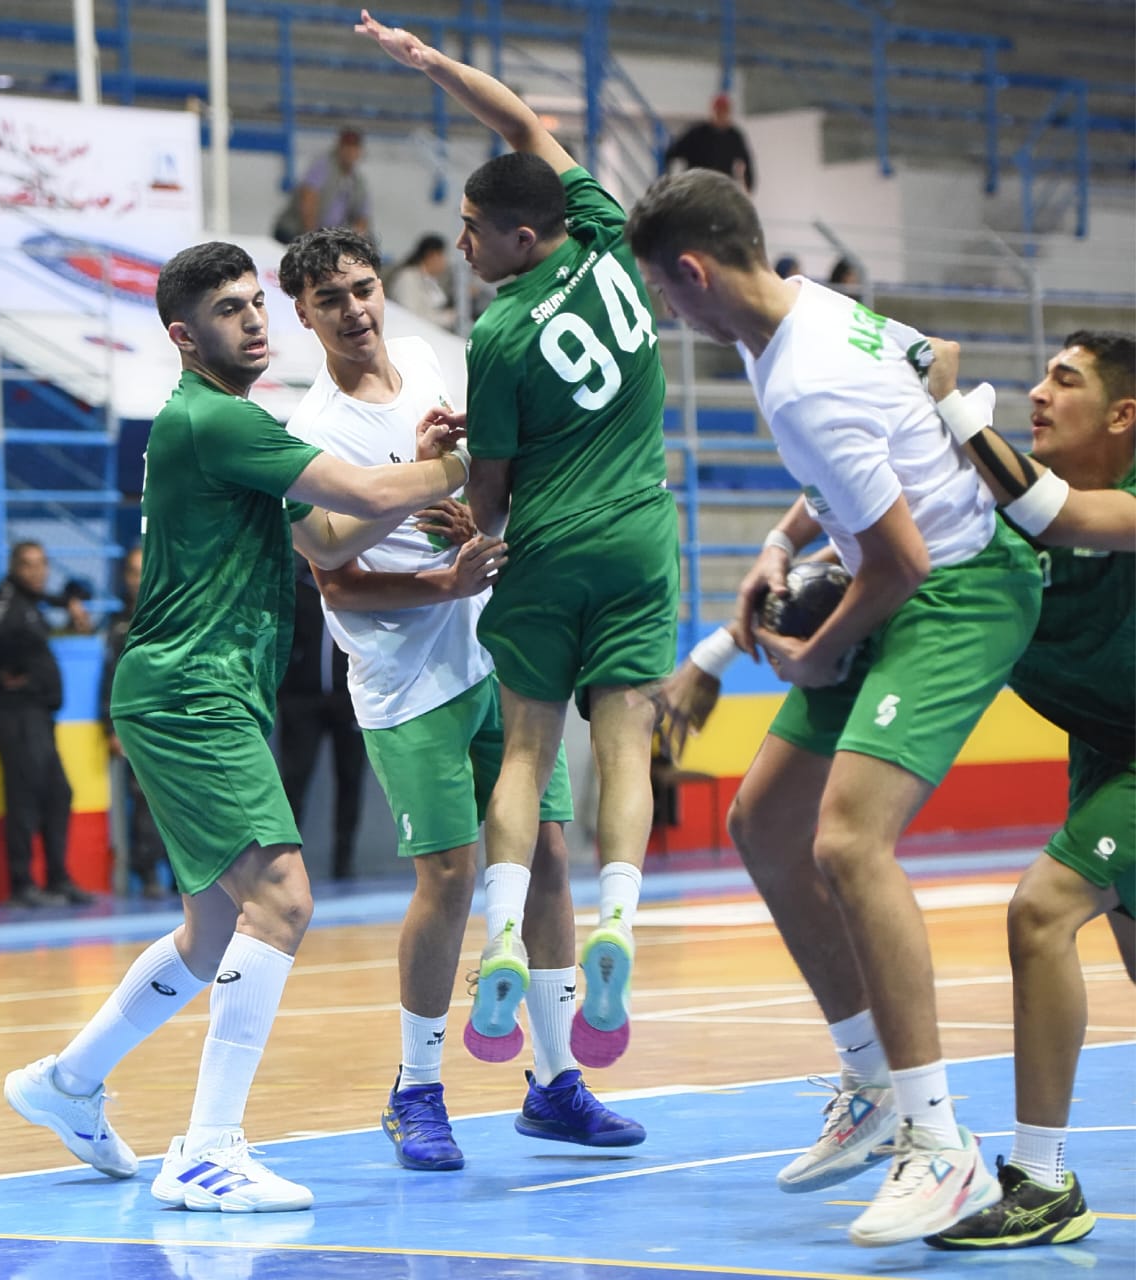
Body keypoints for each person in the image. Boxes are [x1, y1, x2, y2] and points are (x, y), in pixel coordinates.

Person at [3, 239, 470, 1213]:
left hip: (205, 689)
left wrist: (419, 476)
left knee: (212, 925)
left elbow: (338, 536)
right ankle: (207, 1147)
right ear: (183, 336)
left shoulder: (233, 426)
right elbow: (374, 493)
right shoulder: (214, 420)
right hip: (192, 691)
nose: (254, 319)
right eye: (229, 308)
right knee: (282, 898)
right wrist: (482, 459)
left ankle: (69, 1080)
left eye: (258, 302)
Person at [625, 169, 1042, 1247]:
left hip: (955, 588)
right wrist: (781, 542)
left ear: (692, 271)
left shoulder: (803, 371)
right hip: (900, 571)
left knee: (848, 844)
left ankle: (940, 1148)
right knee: (761, 823)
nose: (675, 318)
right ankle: (867, 1083)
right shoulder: (814, 311)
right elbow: (899, 424)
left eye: (669, 299)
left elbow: (898, 555)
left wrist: (812, 651)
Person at [278, 226, 645, 1170]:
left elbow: (484, 492)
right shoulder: (308, 429)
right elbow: (335, 580)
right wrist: (442, 581)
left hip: (496, 659)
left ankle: (557, 1083)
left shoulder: (434, 362)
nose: (355, 310)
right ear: (304, 314)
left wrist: (472, 503)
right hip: (406, 682)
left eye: (363, 288)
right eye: (332, 300)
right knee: (447, 877)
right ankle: (416, 1091)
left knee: (552, 857)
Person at [357, 10, 681, 1072]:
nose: (459, 244)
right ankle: (619, 921)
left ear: (521, 239)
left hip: (544, 554)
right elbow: (525, 121)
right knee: (625, 742)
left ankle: (500, 929)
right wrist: (437, 63)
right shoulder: (604, 235)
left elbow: (490, 495)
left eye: (471, 229)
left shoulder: (495, 334)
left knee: (531, 750)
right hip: (637, 538)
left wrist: (460, 512)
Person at [917, 331, 1134, 1251]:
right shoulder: (1002, 514)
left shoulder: (1094, 505)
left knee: (1040, 912)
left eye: (1066, 380)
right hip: (1107, 751)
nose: (1041, 392)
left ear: (1124, 417)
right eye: (1042, 374)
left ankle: (1039, 1181)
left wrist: (955, 404)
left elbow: (1061, 518)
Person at [0, 541, 96, 909]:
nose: (37, 571)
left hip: (38, 716)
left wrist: (68, 605)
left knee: (58, 794)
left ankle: (58, 879)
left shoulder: (31, 603)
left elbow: (44, 603)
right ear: (15, 568)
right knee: (24, 798)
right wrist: (11, 670)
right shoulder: (6, 601)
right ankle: (21, 884)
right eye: (28, 565)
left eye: (42, 564)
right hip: (14, 714)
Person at [275, 552, 367, 881]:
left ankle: (344, 862)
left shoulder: (357, 581)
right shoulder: (296, 587)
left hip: (351, 700)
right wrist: (284, 688)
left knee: (351, 780)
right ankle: (284, 866)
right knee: (294, 780)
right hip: (302, 701)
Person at [100, 543, 170, 899]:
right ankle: (147, 874)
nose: (137, 579)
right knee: (143, 803)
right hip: (138, 728)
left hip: (175, 724)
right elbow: (110, 678)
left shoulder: (173, 613)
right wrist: (113, 728)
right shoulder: (117, 626)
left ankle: (184, 877)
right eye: (131, 571)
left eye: (144, 569)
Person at [271, 127, 372, 244]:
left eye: (354, 147)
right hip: (294, 233)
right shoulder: (323, 167)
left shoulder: (358, 182)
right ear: (339, 147)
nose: (350, 151)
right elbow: (308, 200)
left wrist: (354, 241)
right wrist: (313, 239)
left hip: (328, 239)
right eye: (347, 146)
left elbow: (362, 218)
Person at [664, 92, 755, 193]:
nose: (721, 115)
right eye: (718, 111)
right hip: (696, 188)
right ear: (713, 111)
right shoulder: (696, 133)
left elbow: (746, 160)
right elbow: (671, 154)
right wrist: (669, 182)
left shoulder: (734, 137)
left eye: (724, 112)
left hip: (721, 190)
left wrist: (749, 186)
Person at [387, 232, 456, 331]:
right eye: (443, 256)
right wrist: (448, 318)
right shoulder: (408, 278)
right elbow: (411, 316)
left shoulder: (430, 280)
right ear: (432, 255)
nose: (445, 262)